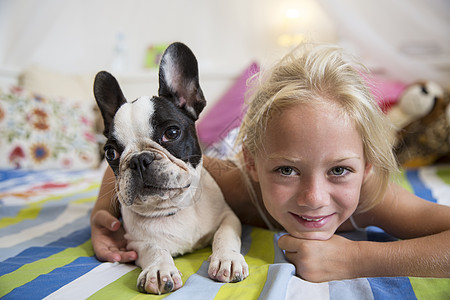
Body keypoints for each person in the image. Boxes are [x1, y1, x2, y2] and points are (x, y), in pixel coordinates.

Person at [91, 44, 450, 282]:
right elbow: (137, 160)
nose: (313, 197)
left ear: (368, 165)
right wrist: (102, 212)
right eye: (287, 170)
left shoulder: (372, 196)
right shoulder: (238, 186)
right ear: (252, 164)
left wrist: (360, 259)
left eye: (339, 170)